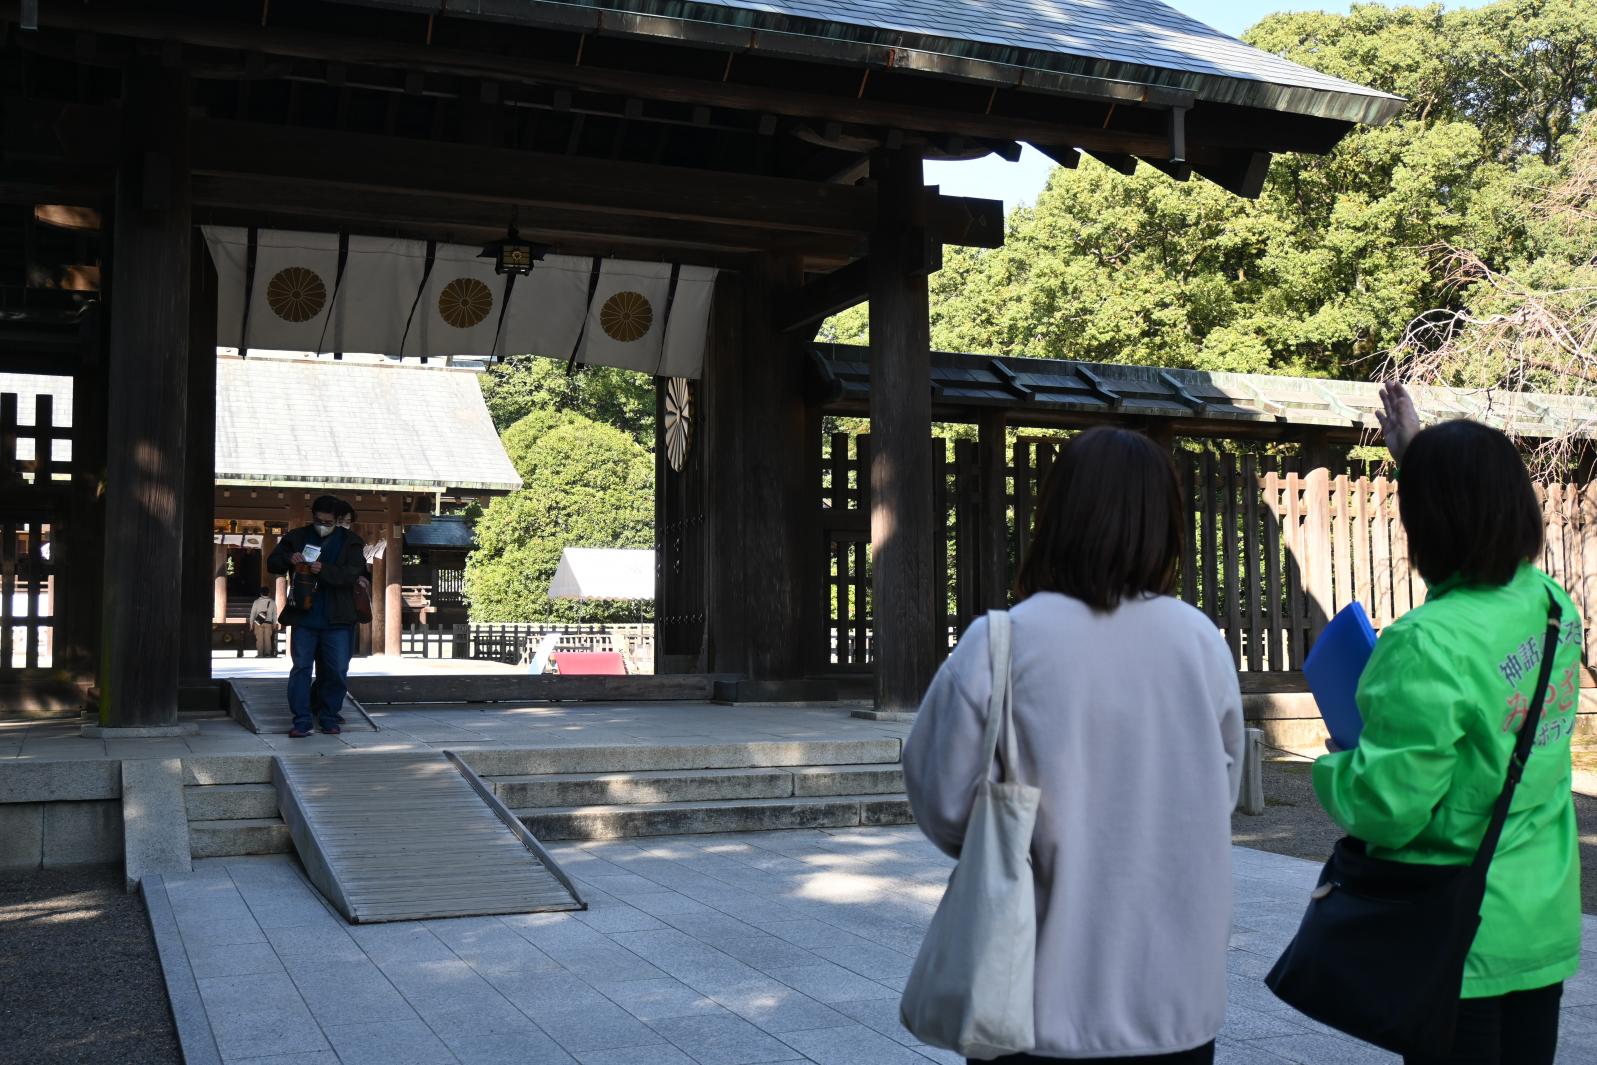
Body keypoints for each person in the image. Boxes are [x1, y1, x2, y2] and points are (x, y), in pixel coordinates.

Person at [903, 426, 1244, 1065]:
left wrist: (1000, 839)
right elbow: (1217, 793)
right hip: (1175, 1003)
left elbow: (939, 795)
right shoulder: (1200, 642)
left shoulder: (1002, 640)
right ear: (1164, 525)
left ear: (1055, 517)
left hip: (1030, 999)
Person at [1312, 384, 1581, 1065]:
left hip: (1455, 938)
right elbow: (1473, 527)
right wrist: (1417, 456)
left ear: (1423, 525)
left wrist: (1336, 762)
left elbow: (1388, 807)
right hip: (1538, 922)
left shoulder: (1424, 644)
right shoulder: (1551, 608)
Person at [267, 495, 368, 737]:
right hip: (304, 615)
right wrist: (288, 558)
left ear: (337, 520)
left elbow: (356, 573)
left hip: (339, 617)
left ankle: (329, 716)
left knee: (336, 670)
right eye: (318, 520)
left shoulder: (351, 541)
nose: (322, 525)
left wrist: (326, 570)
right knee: (301, 668)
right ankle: (301, 720)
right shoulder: (297, 537)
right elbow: (273, 563)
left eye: (328, 521)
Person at [248, 585, 278, 658]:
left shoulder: (256, 602)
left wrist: (251, 623)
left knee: (259, 639)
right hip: (268, 622)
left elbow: (253, 613)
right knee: (268, 638)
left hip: (258, 622)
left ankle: (260, 654)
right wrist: (275, 623)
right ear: (269, 593)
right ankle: (267, 653)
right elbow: (275, 614)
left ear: (260, 593)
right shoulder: (272, 602)